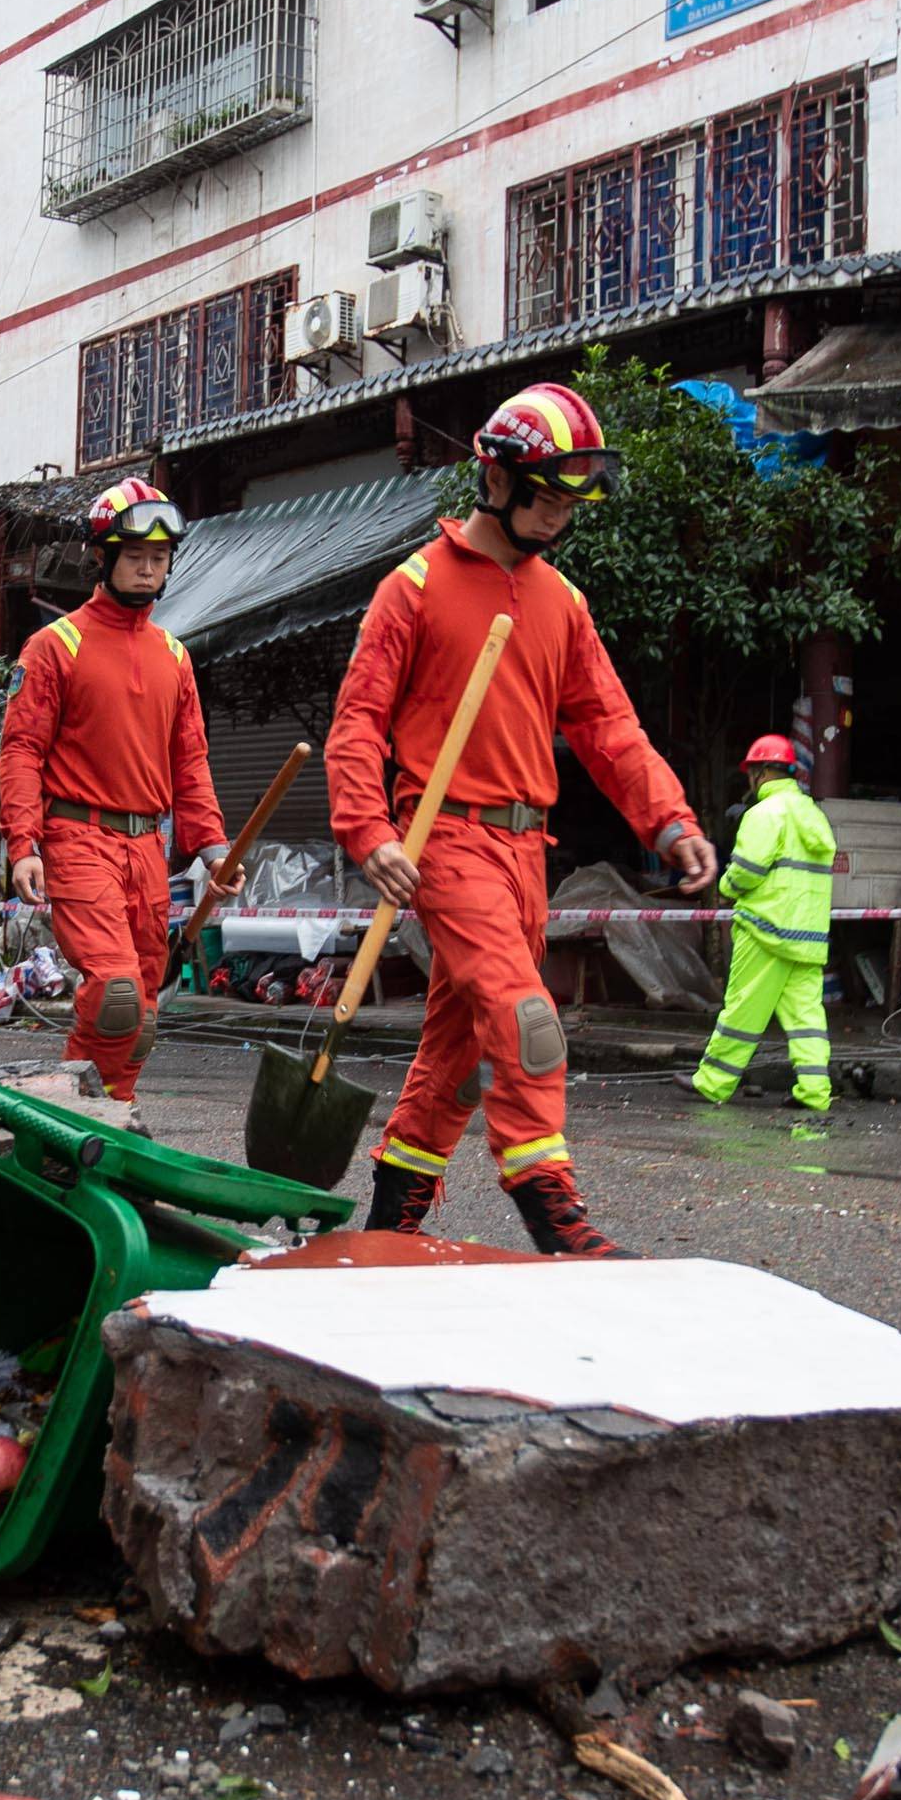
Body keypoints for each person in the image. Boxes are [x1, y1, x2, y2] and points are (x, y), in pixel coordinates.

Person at [325, 382, 712, 1259]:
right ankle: (552, 1210)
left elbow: (610, 728)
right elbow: (357, 723)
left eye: (569, 501)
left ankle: (391, 1218)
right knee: (527, 1020)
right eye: (542, 494)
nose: (555, 516)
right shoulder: (412, 587)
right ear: (494, 478)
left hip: (526, 846)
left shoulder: (562, 603)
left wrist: (668, 818)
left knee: (460, 1051)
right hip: (445, 837)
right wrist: (369, 829)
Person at [0, 478, 228, 1101]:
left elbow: (192, 761)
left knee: (143, 1017)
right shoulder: (55, 646)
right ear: (103, 558)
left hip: (146, 850)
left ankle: (108, 1118)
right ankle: (65, 1116)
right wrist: (24, 845)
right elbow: (20, 751)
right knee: (116, 993)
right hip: (76, 837)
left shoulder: (174, 656)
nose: (149, 569)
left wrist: (211, 845)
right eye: (136, 557)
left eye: (159, 558)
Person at [690, 733, 838, 1114]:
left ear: (758, 773)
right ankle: (814, 1089)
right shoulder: (813, 815)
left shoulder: (764, 814)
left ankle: (713, 1082)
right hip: (807, 935)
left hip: (765, 930)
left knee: (742, 1008)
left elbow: (747, 872)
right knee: (806, 1016)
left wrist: (725, 885)